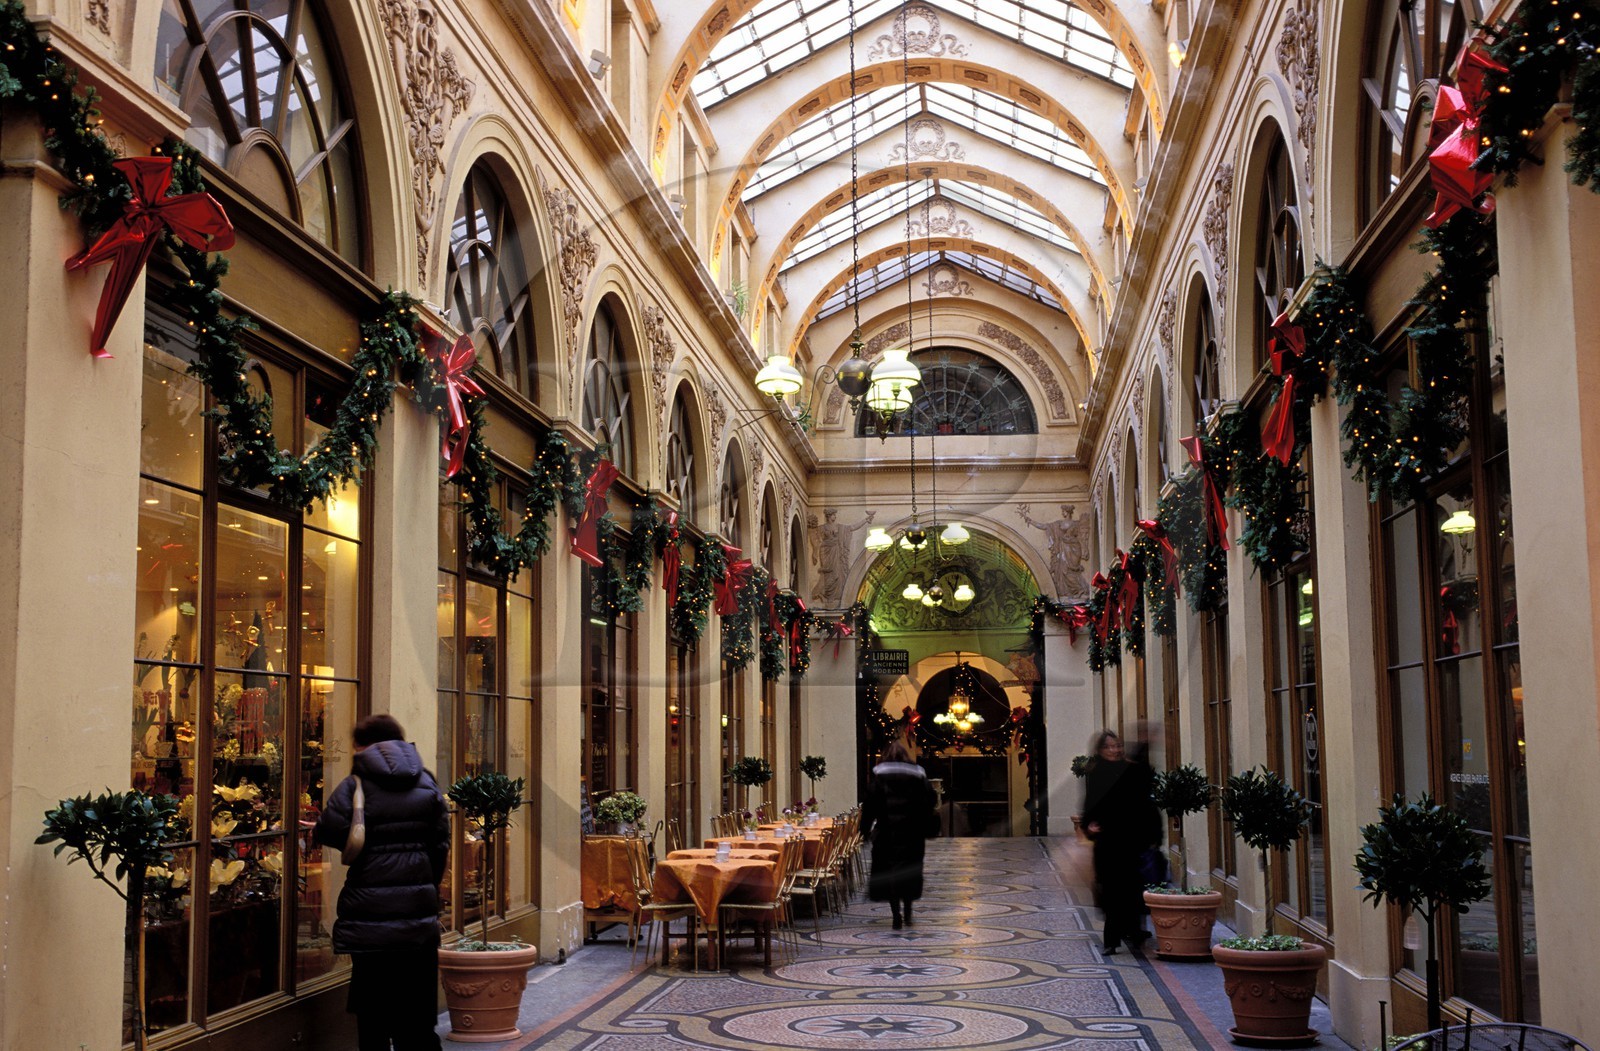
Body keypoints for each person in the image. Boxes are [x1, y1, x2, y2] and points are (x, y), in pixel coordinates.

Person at [314, 714, 450, 1051]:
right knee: (416, 1016)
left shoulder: (355, 785)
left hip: (370, 917)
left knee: (373, 1017)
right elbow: (440, 845)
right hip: (417, 919)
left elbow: (329, 831)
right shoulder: (426, 781)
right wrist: (425, 888)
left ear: (361, 746)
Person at [1079, 729, 1160, 954]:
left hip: (1132, 839)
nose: (1114, 750)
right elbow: (1089, 803)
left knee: (1133, 887)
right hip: (1108, 841)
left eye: (1117, 746)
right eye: (1109, 747)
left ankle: (1135, 932)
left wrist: (1152, 835)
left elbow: (1145, 790)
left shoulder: (1131, 769)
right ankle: (1111, 940)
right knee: (1112, 890)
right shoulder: (1096, 773)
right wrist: (1089, 825)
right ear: (1100, 750)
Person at [861, 740, 938, 930]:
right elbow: (930, 800)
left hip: (886, 835)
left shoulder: (879, 778)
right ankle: (909, 911)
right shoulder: (918, 776)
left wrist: (865, 830)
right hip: (913, 835)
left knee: (890, 874)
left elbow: (869, 807)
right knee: (909, 872)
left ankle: (896, 915)